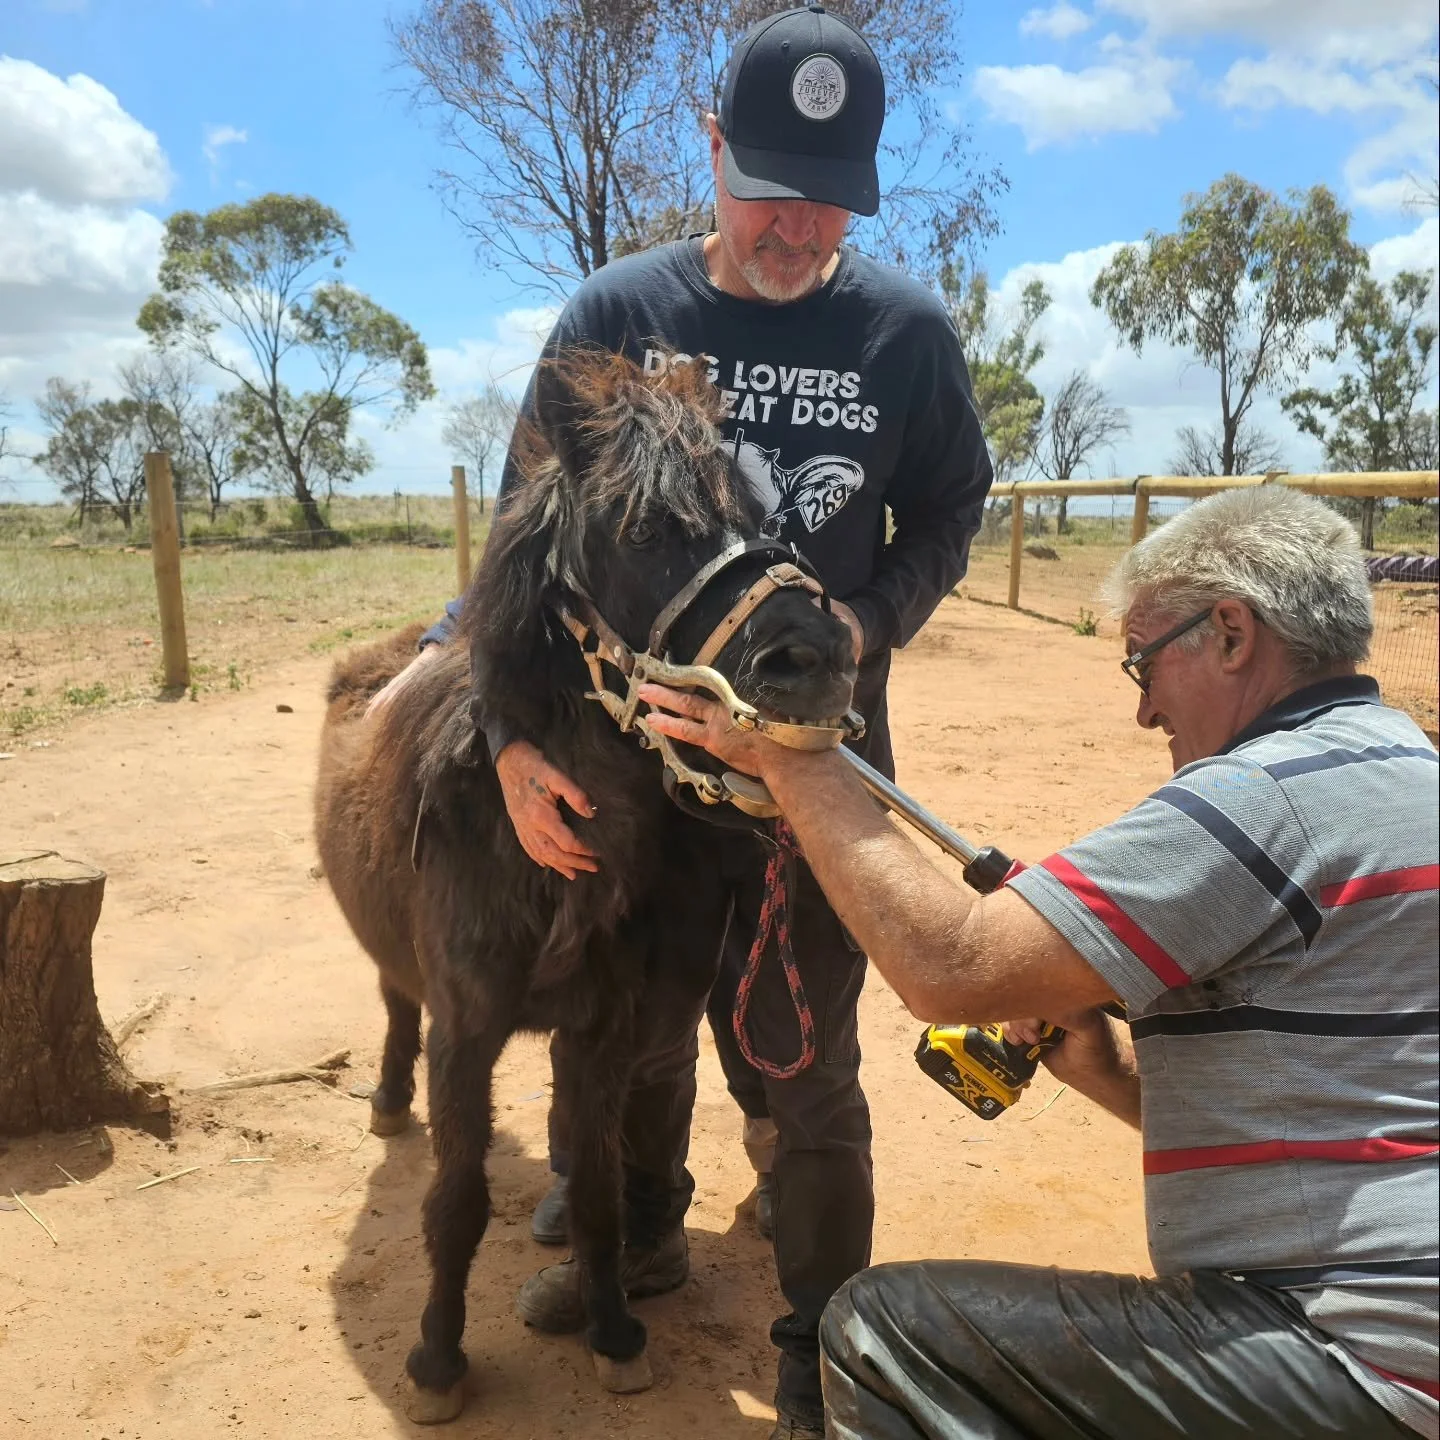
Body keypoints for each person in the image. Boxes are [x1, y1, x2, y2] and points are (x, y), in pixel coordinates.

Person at [371, 7, 993, 1434]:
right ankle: (643, 1230)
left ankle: (820, 1337)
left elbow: (951, 509)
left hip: (806, 773)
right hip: (631, 783)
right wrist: (519, 748)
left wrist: (866, 617)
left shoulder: (902, 331)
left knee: (808, 1066)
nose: (795, 228)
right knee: (630, 1025)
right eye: (768, 188)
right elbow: (516, 571)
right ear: (710, 148)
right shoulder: (613, 324)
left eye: (829, 199)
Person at [642, 485, 1439, 1440]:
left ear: (1230, 633)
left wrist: (791, 761)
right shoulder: (1405, 771)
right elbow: (1351, 1113)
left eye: (1143, 663)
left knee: (881, 1333)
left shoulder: (1264, 797)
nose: (1145, 713)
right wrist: (1108, 1074)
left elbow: (952, 965)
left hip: (1357, 1364)